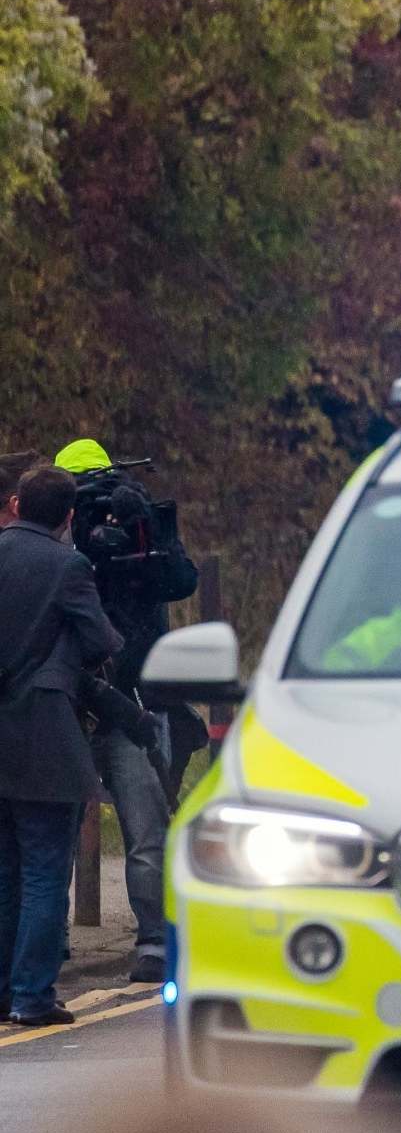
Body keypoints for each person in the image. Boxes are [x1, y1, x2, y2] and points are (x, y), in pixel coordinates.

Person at [55, 438, 198, 983]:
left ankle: (155, 940)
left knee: (144, 824)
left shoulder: (141, 524)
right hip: (71, 698)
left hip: (130, 698)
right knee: (60, 828)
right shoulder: (56, 534)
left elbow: (181, 581)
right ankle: (53, 938)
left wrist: (150, 533)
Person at [0, 467, 125, 1026]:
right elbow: (100, 641)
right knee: (46, 871)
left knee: (4, 873)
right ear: (70, 517)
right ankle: (32, 996)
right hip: (45, 738)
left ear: (15, 502)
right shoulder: (68, 566)